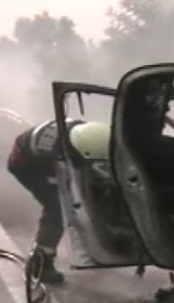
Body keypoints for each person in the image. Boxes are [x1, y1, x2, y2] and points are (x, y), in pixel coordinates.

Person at [7, 118, 111, 284]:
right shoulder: (54, 153)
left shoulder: (89, 134)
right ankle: (41, 263)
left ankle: (100, 241)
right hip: (26, 163)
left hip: (50, 153)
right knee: (57, 208)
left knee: (94, 192)